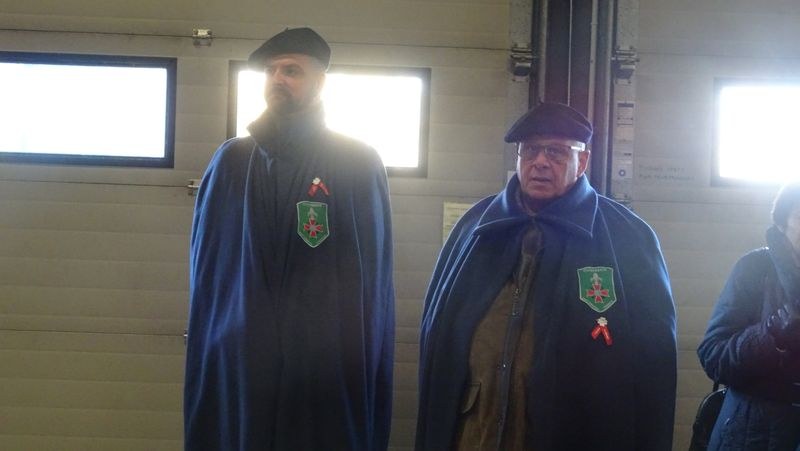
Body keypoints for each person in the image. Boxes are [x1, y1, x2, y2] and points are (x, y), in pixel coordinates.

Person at [415, 102, 677, 450]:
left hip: (571, 434)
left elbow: (654, 361)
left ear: (582, 161)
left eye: (556, 152)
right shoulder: (477, 227)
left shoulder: (627, 238)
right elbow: (439, 336)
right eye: (530, 150)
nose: (540, 161)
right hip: (475, 429)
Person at [184, 27, 395, 451]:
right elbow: (208, 275)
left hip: (323, 369)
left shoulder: (356, 162)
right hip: (243, 363)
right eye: (271, 71)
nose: (278, 79)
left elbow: (370, 283)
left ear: (320, 81)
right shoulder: (231, 162)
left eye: (292, 70)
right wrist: (225, 343)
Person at [697, 183, 800, 450]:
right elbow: (713, 356)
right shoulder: (755, 269)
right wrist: (772, 334)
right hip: (755, 434)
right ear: (782, 223)